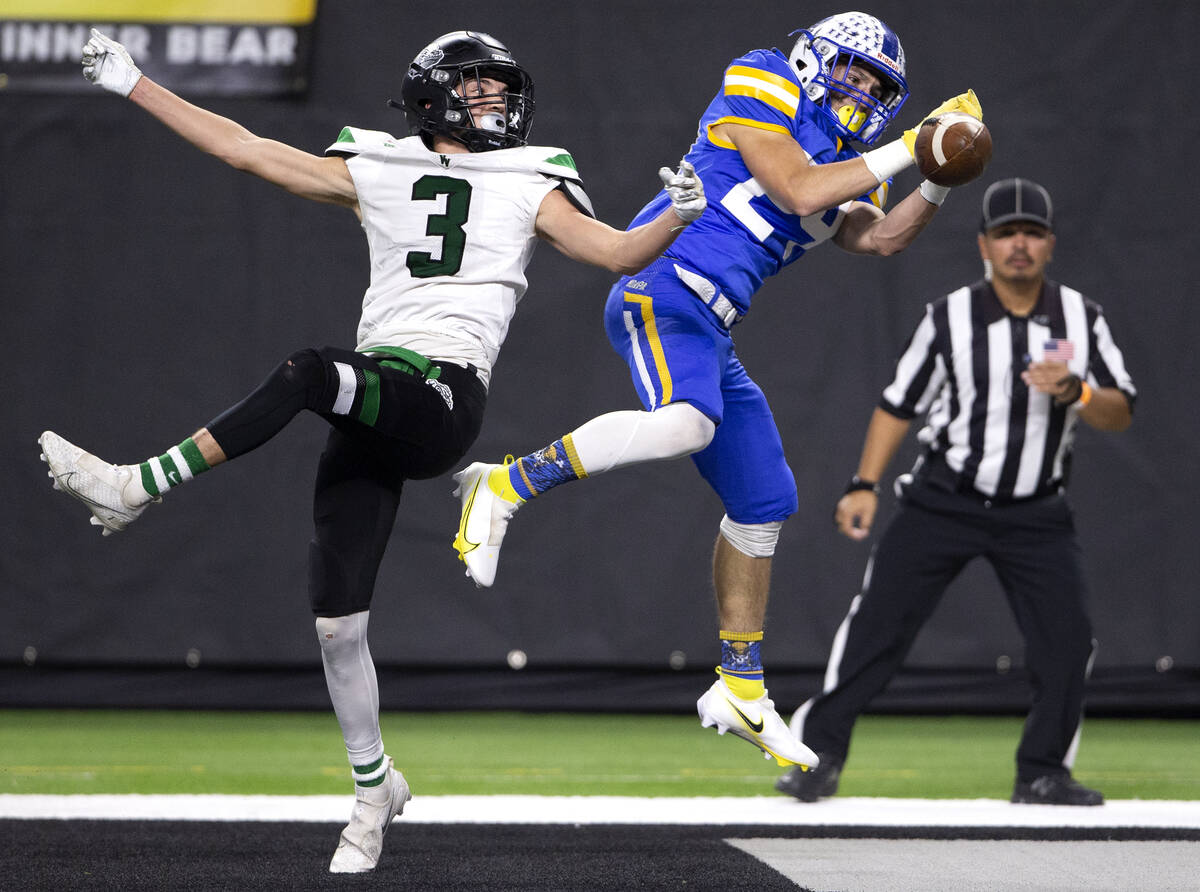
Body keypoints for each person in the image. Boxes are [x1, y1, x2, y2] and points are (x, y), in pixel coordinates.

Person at [38, 28, 706, 874]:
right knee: (336, 626)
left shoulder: (532, 176)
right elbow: (248, 151)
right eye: (478, 89)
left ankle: (138, 485)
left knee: (312, 373)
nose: (497, 102)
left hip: (443, 397)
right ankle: (372, 790)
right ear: (433, 97)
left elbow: (614, 251)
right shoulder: (377, 163)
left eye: (501, 89)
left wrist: (678, 216)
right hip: (377, 397)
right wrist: (136, 83)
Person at [450, 11, 982, 770]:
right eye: (851, 72)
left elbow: (883, 235)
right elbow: (795, 190)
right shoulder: (761, 76)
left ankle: (741, 686)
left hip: (709, 324)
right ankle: (503, 484)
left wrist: (938, 176)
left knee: (765, 499)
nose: (858, 91)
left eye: (875, 87)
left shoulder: (844, 161)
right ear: (812, 58)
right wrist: (914, 145)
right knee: (691, 423)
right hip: (663, 288)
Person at [775, 177, 1136, 806]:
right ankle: (817, 754)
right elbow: (898, 405)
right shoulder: (949, 317)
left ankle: (1043, 771)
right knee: (875, 631)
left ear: (1049, 244)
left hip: (1037, 510)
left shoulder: (1083, 318)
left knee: (1068, 640)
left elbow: (1120, 411)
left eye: (1031, 232)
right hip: (945, 497)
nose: (1019, 244)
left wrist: (1076, 391)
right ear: (984, 246)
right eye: (1006, 233)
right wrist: (864, 484)